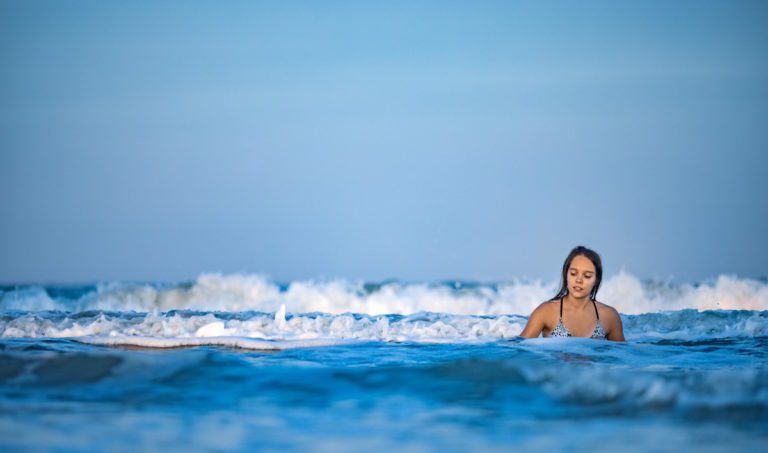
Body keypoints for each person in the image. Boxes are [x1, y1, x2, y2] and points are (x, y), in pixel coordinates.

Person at [520, 246, 625, 341]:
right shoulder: (546, 312)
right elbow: (518, 349)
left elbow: (622, 356)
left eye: (587, 276)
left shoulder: (609, 316)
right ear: (566, 274)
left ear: (596, 280)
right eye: (573, 273)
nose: (579, 280)